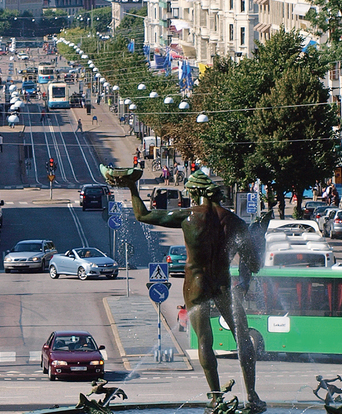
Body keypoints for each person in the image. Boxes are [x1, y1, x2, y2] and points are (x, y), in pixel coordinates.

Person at [109, 167, 271, 413]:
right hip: (222, 285)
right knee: (243, 336)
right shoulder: (236, 223)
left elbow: (143, 215)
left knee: (205, 341)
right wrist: (259, 236)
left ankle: (217, 398)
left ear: (194, 193)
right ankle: (252, 396)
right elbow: (255, 265)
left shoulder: (188, 217)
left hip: (196, 285)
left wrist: (132, 187)